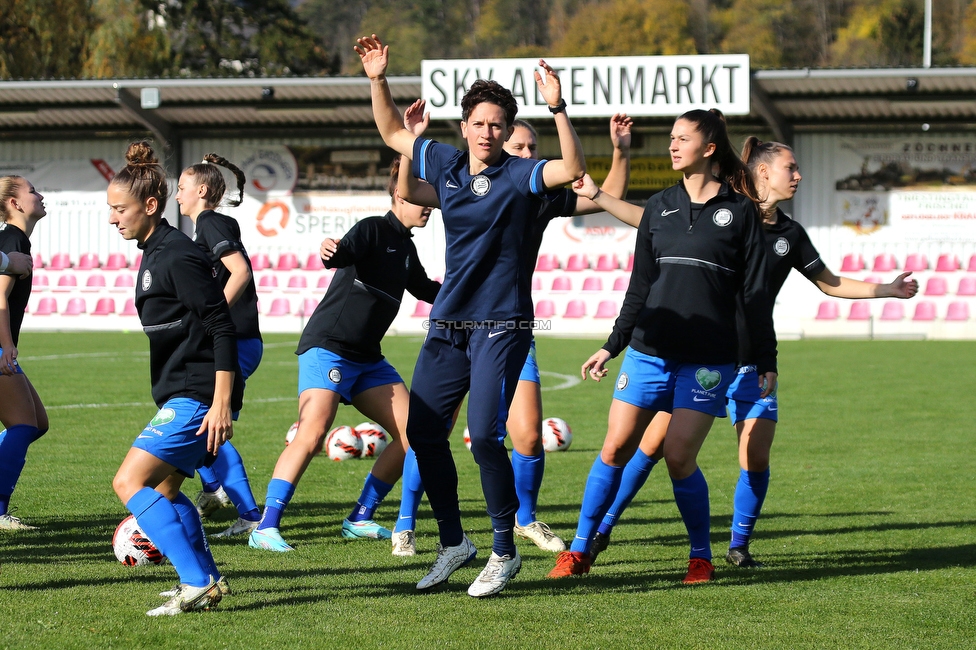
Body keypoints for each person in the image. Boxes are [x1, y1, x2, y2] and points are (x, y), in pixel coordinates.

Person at [587, 136, 920, 569]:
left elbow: (829, 281)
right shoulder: (723, 213)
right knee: (651, 449)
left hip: (751, 363)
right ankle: (602, 529)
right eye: (791, 168)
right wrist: (598, 195)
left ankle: (739, 546)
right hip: (700, 357)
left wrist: (886, 289)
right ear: (763, 172)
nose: (798, 176)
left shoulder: (789, 234)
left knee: (755, 454)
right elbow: (649, 218)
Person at [356, 33, 585, 598]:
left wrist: (557, 106)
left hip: (502, 326)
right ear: (464, 126)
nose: (488, 133)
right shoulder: (446, 163)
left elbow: (574, 166)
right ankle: (455, 543)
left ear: (508, 131)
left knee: (484, 437)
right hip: (447, 325)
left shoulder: (522, 176)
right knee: (424, 435)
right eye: (479, 123)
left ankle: (504, 551)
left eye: (497, 125)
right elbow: (392, 134)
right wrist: (377, 78)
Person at [392, 106, 636, 557]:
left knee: (519, 435)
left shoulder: (536, 191)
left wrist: (620, 152)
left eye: (532, 148)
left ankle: (520, 524)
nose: (528, 153)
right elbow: (408, 187)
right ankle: (407, 521)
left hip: (510, 327)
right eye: (519, 147)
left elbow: (603, 194)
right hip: (458, 324)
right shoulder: (467, 180)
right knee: (432, 427)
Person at [547, 109, 778, 585]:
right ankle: (579, 549)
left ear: (709, 149)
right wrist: (612, 345)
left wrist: (765, 359)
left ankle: (700, 556)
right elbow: (639, 287)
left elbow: (754, 295)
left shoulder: (740, 213)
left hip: (708, 361)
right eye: (670, 138)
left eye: (682, 138)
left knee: (677, 457)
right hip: (647, 353)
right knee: (613, 448)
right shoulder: (659, 207)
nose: (672, 146)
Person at [247, 156, 440, 553]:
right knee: (313, 431)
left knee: (414, 432)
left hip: (369, 359)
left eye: (431, 200)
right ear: (399, 193)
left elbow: (427, 290)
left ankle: (360, 517)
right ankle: (265, 527)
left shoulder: (406, 248)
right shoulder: (372, 228)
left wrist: (474, 293)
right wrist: (328, 250)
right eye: (422, 197)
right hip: (328, 349)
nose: (429, 206)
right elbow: (340, 254)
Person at [108, 141, 242, 616]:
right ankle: (208, 579)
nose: (112, 218)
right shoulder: (153, 249)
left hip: (199, 394)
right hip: (185, 391)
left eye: (118, 209)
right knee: (165, 490)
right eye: (110, 209)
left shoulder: (176, 254)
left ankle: (194, 581)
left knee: (128, 482)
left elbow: (221, 324)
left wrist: (221, 401)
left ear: (149, 206)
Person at [175, 154, 264, 539]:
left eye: (181, 187)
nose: (176, 195)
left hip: (236, 340)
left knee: (208, 423)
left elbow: (241, 271)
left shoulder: (210, 222)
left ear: (202, 191)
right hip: (239, 339)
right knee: (198, 421)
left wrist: (213, 317)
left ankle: (249, 515)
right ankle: (213, 491)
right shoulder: (207, 226)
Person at [0, 176, 48, 531]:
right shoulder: (13, 239)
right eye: (32, 191)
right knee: (24, 424)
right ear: (15, 203)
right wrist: (6, 345)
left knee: (37, 424)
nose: (40, 195)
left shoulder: (15, 240)